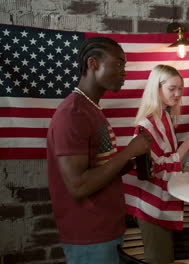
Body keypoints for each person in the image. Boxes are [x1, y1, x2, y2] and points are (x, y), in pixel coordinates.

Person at [47, 36, 152, 263]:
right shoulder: (73, 113)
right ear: (93, 64)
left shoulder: (91, 109)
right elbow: (78, 186)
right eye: (118, 64)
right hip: (89, 234)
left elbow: (98, 168)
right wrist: (129, 151)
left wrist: (130, 163)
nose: (124, 72)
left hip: (106, 228)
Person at [123, 65, 189, 264]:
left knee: (165, 256)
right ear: (157, 88)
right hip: (149, 202)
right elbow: (151, 169)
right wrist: (188, 144)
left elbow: (167, 156)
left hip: (161, 199)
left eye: (180, 88)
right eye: (172, 88)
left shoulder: (165, 116)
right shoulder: (146, 125)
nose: (178, 94)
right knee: (159, 259)